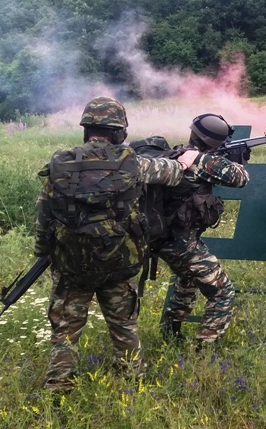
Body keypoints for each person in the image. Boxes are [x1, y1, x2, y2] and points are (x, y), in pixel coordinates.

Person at [33, 96, 204, 393]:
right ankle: (131, 379)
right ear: (117, 132)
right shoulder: (134, 164)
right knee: (124, 325)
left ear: (87, 129)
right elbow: (175, 173)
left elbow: (44, 215)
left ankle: (58, 387)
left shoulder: (60, 163)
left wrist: (44, 252)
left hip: (73, 264)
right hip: (119, 261)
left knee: (65, 331)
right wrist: (186, 160)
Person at [137, 113, 249, 349]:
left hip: (159, 236)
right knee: (223, 292)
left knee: (187, 280)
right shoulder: (201, 161)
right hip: (179, 241)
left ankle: (170, 334)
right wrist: (239, 161)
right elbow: (240, 178)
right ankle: (204, 347)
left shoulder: (176, 154)